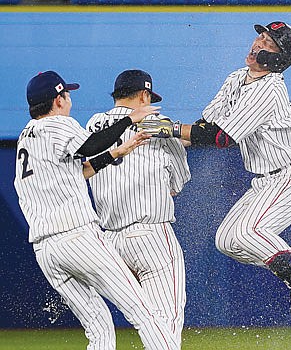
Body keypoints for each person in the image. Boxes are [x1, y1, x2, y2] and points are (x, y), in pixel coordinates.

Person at [137, 21, 291, 321]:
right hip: (268, 181)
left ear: (279, 57)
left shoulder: (270, 89)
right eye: (260, 37)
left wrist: (168, 129)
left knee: (247, 232)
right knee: (227, 240)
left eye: (268, 42)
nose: (258, 43)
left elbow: (220, 137)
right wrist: (155, 137)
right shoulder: (236, 78)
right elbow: (203, 128)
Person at [13, 71, 179, 350]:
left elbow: (80, 171)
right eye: (67, 94)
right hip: (78, 238)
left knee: (99, 327)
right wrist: (130, 119)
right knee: (144, 312)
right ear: (58, 99)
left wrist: (118, 152)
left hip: (46, 251)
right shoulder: (57, 125)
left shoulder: (26, 137)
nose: (69, 100)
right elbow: (91, 145)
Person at [85, 69, 191, 347]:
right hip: (150, 236)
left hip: (108, 242)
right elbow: (178, 180)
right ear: (144, 95)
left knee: (133, 323)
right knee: (164, 324)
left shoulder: (94, 124)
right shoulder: (156, 122)